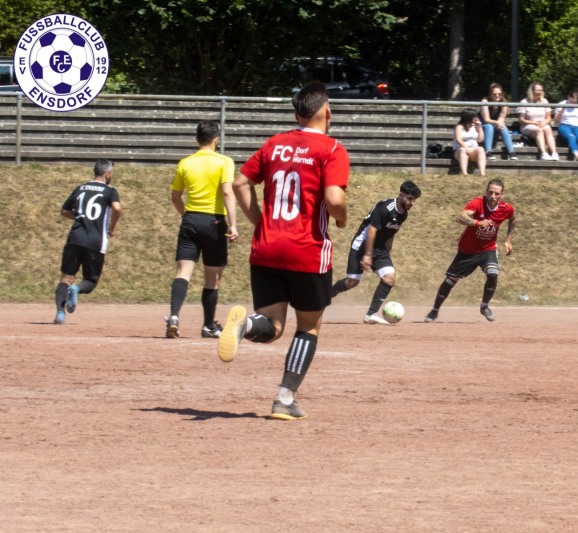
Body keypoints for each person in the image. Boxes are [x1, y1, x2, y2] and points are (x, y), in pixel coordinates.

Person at [217, 82, 349, 420]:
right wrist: (342, 218)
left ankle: (246, 325)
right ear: (327, 112)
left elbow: (240, 183)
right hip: (307, 250)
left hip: (265, 248)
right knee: (308, 328)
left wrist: (259, 221)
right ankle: (284, 399)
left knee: (272, 326)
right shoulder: (332, 149)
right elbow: (334, 200)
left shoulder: (274, 144)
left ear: (296, 114)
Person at [166, 121, 238, 339]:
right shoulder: (224, 162)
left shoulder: (185, 163)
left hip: (190, 220)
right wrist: (233, 224)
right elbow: (227, 193)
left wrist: (186, 215)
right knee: (212, 278)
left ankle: (174, 316)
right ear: (216, 139)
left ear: (197, 139)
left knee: (183, 272)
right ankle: (208, 326)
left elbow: (176, 196)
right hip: (214, 222)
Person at [424, 178, 516, 323]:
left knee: (493, 274)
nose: (493, 196)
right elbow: (460, 217)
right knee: (450, 281)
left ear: (501, 195)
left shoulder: (506, 208)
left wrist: (508, 240)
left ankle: (484, 306)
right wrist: (478, 223)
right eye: (490, 192)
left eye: (496, 194)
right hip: (467, 250)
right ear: (486, 191)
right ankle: (435, 310)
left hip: (488, 250)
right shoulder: (478, 203)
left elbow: (513, 219)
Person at [331, 180, 422, 324]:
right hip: (362, 245)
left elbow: (391, 233)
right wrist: (367, 255)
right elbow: (372, 230)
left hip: (380, 249)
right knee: (352, 282)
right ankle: (326, 296)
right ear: (401, 195)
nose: (412, 203)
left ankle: (371, 314)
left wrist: (388, 252)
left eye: (414, 200)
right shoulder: (385, 208)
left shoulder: (403, 214)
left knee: (389, 278)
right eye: (410, 198)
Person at [53, 159, 122, 325]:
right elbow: (117, 208)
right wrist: (112, 227)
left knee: (65, 278)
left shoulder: (81, 188)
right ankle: (76, 289)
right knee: (91, 281)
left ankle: (60, 314)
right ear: (107, 174)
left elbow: (64, 211)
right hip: (95, 240)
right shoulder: (110, 191)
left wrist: (78, 217)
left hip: (75, 237)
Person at [516, 81, 559, 161]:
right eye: (537, 90)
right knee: (539, 130)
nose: (539, 92)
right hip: (528, 125)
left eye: (541, 90)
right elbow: (521, 119)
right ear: (531, 91)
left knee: (548, 129)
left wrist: (543, 123)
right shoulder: (524, 102)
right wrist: (534, 123)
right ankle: (543, 153)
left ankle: (554, 153)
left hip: (541, 124)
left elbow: (548, 117)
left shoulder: (544, 101)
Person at [480, 83, 518, 161]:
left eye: (499, 94)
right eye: (494, 94)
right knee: (489, 126)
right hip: (485, 124)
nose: (497, 96)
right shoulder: (485, 101)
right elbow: (486, 119)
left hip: (495, 125)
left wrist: (499, 123)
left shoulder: (504, 102)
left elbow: (502, 117)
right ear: (490, 94)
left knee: (503, 126)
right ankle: (488, 151)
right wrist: (498, 123)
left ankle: (511, 152)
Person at [554, 88, 578, 161]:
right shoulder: (561, 104)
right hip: (564, 126)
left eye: (576, 98)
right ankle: (577, 155)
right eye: (572, 97)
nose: (573, 100)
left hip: (576, 126)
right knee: (572, 138)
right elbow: (556, 120)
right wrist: (562, 110)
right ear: (568, 97)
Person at [452, 109, 487, 176]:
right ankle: (464, 172)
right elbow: (458, 139)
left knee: (481, 149)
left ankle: (482, 173)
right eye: (474, 116)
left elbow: (480, 140)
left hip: (473, 150)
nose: (476, 118)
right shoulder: (459, 127)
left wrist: (479, 128)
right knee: (462, 150)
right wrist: (466, 147)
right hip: (460, 150)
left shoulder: (475, 126)